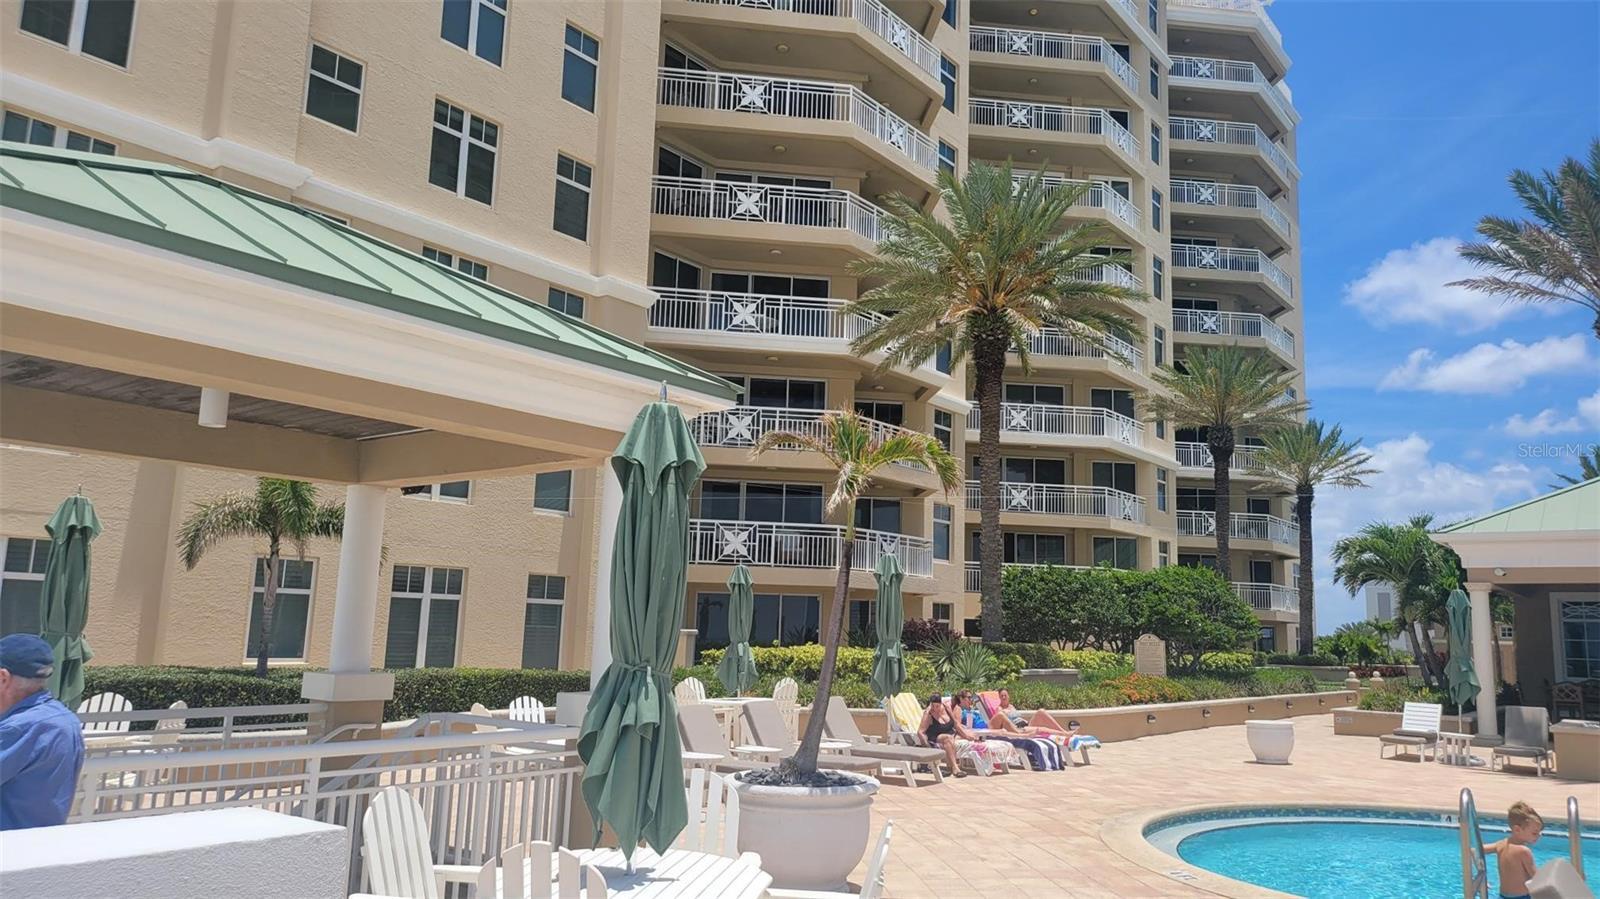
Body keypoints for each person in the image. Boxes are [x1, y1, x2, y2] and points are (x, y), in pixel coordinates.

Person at [0, 633, 87, 830]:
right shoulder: (65, 719)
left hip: (11, 843)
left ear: (3, 677)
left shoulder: (20, 728)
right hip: (43, 839)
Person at [1485, 801, 1543, 899]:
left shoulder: (1501, 844)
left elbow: (1474, 850)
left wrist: (1482, 876)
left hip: (1502, 896)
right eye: (1534, 833)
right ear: (1517, 830)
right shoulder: (1524, 851)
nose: (1539, 836)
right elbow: (1537, 879)